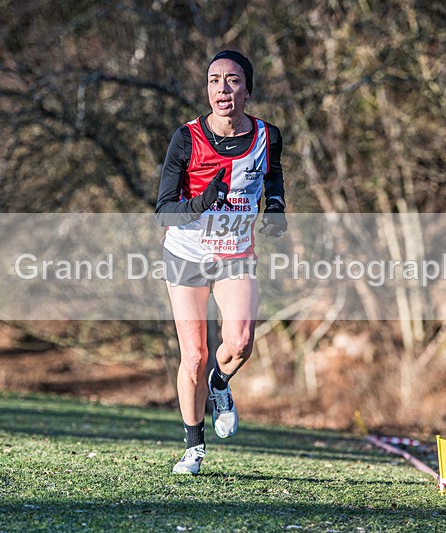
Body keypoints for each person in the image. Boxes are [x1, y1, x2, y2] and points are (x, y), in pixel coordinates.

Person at [155, 50, 287, 475]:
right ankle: (193, 446)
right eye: (213, 81)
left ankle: (220, 384)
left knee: (241, 342)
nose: (222, 89)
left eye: (231, 81)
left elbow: (272, 173)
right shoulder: (186, 138)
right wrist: (199, 203)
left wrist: (277, 207)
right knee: (193, 354)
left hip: (236, 255)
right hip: (187, 254)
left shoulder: (268, 135)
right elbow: (163, 212)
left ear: (247, 89)